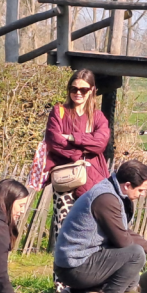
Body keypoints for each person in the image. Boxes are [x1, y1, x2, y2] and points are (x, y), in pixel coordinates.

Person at [53, 160, 147, 293]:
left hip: (73, 264)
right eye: (141, 190)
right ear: (127, 185)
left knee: (129, 252)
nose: (143, 194)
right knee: (135, 255)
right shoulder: (106, 199)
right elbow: (123, 241)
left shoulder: (110, 191)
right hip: (75, 267)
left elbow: (122, 232)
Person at [45, 69, 111, 227]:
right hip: (65, 174)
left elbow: (100, 143)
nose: (78, 93)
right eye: (74, 89)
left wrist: (73, 137)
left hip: (93, 175)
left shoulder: (98, 117)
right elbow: (54, 141)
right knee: (63, 225)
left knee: (90, 224)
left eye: (83, 89)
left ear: (92, 90)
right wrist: (81, 152)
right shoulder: (59, 112)